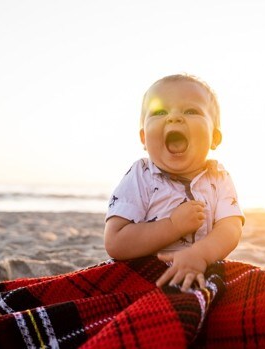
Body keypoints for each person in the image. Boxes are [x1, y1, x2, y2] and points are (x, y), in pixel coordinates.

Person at [104, 74, 245, 292]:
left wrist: (200, 254)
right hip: (144, 277)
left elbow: (231, 228)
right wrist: (173, 226)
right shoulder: (141, 174)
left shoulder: (218, 176)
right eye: (160, 112)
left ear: (214, 137)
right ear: (143, 137)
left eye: (191, 111)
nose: (174, 118)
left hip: (201, 271)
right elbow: (116, 241)